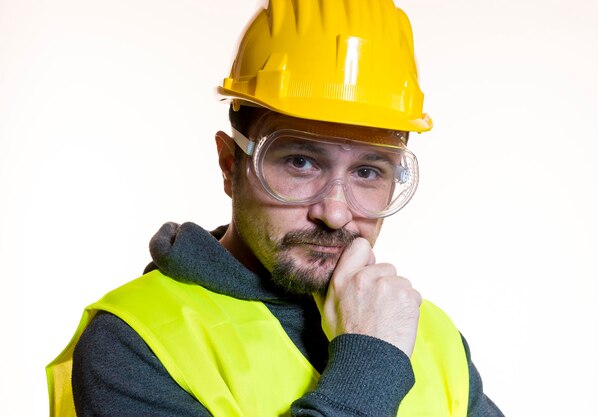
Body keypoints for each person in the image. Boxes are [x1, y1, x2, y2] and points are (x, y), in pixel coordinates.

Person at [47, 1, 504, 416]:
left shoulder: (428, 335)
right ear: (231, 165)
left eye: (368, 171)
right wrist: (370, 363)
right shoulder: (137, 342)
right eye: (300, 162)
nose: (336, 213)